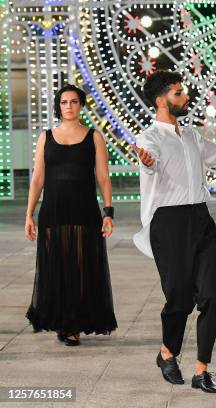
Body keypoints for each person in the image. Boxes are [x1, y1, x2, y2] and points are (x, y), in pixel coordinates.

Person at [132, 70, 216, 393]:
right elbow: (150, 163)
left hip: (201, 220)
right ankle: (167, 353)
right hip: (169, 224)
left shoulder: (191, 135)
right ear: (161, 100)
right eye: (178, 93)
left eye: (183, 91)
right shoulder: (148, 139)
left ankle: (202, 369)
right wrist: (147, 162)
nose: (185, 96)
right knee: (178, 297)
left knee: (211, 297)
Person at [25, 84, 117, 346]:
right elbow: (37, 179)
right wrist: (29, 214)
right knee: (56, 266)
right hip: (52, 211)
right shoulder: (46, 137)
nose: (68, 106)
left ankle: (75, 322)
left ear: (81, 105)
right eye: (64, 102)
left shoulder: (94, 137)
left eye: (73, 101)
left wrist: (108, 213)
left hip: (85, 210)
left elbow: (103, 178)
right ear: (58, 106)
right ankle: (62, 321)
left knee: (81, 266)